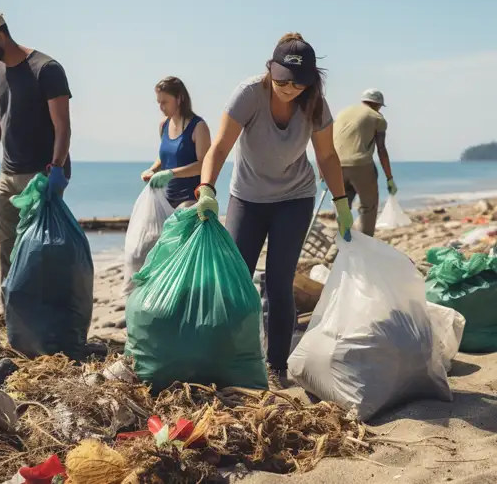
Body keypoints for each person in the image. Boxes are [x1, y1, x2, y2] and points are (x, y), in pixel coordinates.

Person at [194, 32, 353, 388]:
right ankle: (227, 357)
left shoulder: (314, 104)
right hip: (247, 198)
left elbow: (326, 155)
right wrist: (206, 188)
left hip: (294, 199)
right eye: (281, 79)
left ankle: (276, 366)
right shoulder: (249, 94)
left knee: (278, 281)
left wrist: (342, 204)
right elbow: (219, 146)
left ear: (311, 81)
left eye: (297, 83)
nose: (288, 88)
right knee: (234, 280)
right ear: (270, 68)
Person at [0, 8, 73, 284]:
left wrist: (56, 170)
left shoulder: (46, 69)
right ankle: (15, 321)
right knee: (6, 255)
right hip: (7, 177)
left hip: (42, 176)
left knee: (39, 254)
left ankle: (44, 319)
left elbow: (63, 126)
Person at [140, 77, 211, 209]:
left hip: (191, 201)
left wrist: (171, 173)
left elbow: (204, 165)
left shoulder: (198, 127)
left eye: (165, 102)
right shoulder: (163, 125)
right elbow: (166, 156)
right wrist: (152, 170)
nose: (161, 107)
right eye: (159, 103)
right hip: (165, 200)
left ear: (179, 99)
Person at [332, 89, 395, 237]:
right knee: (368, 206)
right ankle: (365, 242)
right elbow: (381, 149)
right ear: (378, 105)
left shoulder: (342, 113)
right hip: (360, 164)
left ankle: (344, 238)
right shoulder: (377, 117)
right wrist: (389, 178)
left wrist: (324, 172)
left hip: (335, 164)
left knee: (342, 204)